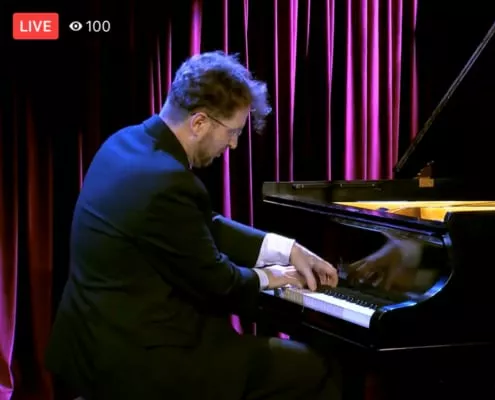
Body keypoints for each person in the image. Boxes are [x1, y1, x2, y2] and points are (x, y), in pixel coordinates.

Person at [45, 51, 341, 400]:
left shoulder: (124, 143)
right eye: (233, 132)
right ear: (199, 122)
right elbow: (221, 284)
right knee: (315, 369)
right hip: (141, 363)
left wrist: (287, 248)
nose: (233, 144)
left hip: (88, 344)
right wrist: (275, 276)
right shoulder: (167, 181)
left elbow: (199, 225)